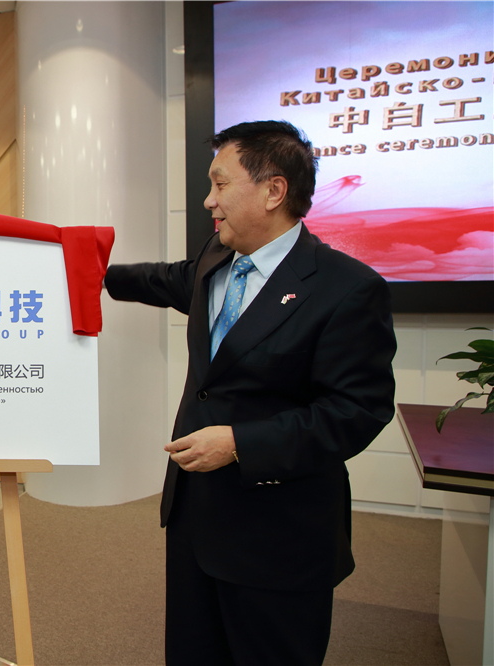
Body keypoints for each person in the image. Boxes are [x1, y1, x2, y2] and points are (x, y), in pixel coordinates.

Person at [104, 120, 396, 665]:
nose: (208, 201)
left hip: (278, 536)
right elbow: (163, 279)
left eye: (220, 184)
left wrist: (241, 442)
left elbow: (356, 411)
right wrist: (81, 265)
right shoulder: (217, 259)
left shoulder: (347, 289)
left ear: (273, 191)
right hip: (195, 518)